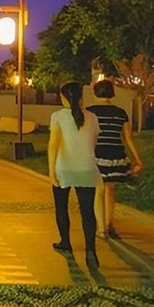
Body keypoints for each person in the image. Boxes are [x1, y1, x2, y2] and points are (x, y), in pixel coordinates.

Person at [48, 82, 102, 269]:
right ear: (81, 98)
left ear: (63, 97)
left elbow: (53, 144)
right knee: (88, 212)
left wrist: (51, 171)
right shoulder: (93, 117)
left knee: (61, 208)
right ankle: (90, 250)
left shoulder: (58, 117)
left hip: (63, 168)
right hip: (87, 168)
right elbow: (93, 142)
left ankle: (66, 243)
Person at [87, 80, 143, 239]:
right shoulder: (121, 113)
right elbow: (128, 138)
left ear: (95, 92)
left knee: (98, 191)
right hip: (116, 154)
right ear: (112, 93)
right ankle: (109, 224)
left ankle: (100, 229)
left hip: (96, 154)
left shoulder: (89, 113)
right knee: (110, 190)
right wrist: (137, 158)